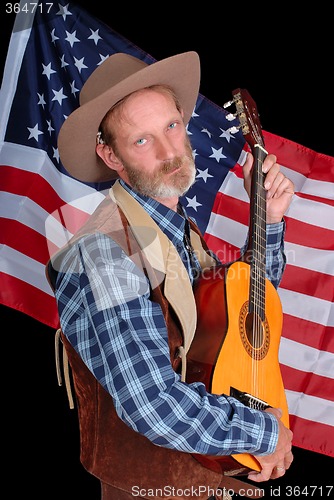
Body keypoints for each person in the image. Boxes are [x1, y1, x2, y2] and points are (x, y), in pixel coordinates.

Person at [46, 51, 294, 500]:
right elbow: (152, 405)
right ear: (110, 154)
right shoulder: (107, 252)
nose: (168, 153)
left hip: (212, 475)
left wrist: (269, 219)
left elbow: (241, 314)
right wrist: (265, 433)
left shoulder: (177, 230)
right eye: (141, 141)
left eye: (171, 127)